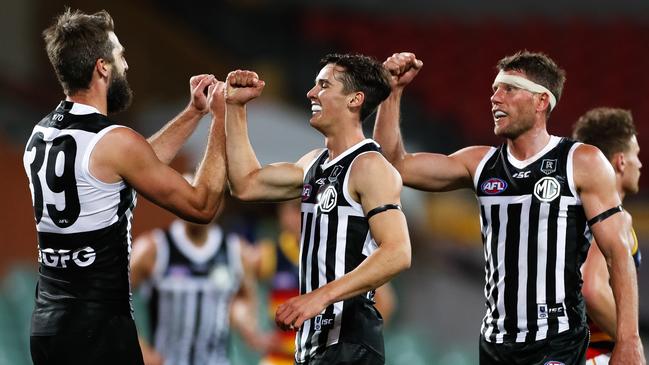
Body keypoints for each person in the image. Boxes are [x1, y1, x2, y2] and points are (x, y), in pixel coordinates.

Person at [373, 51, 645, 364]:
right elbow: (394, 165)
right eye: (494, 90)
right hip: (495, 344)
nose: (495, 98)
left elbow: (616, 253)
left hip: (556, 340)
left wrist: (629, 340)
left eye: (509, 89)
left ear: (541, 101)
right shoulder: (480, 163)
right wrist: (391, 93)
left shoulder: (581, 162)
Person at [24, 9, 227, 365]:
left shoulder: (41, 134)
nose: (126, 65)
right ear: (102, 67)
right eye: (120, 55)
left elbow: (134, 165)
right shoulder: (114, 142)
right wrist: (222, 118)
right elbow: (203, 206)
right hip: (99, 331)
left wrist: (194, 113)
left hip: (47, 328)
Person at [223, 53, 412, 364]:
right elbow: (246, 184)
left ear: (355, 99)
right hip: (312, 346)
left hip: (350, 344)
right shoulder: (313, 163)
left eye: (323, 85)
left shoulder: (370, 167)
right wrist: (236, 107)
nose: (311, 93)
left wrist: (318, 298)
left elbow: (398, 252)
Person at [130, 189, 273, 365]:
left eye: (207, 198)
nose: (198, 205)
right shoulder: (152, 249)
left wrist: (245, 322)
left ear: (220, 204)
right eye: (190, 197)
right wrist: (141, 350)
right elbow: (114, 300)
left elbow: (244, 301)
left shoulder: (237, 251)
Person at [255, 200, 397, 365]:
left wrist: (354, 344)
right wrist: (255, 334)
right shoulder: (271, 253)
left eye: (303, 209)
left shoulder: (342, 254)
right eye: (293, 209)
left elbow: (386, 303)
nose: (298, 217)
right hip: (280, 360)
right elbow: (236, 283)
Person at [572, 108, 643, 364]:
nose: (641, 164)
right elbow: (592, 287)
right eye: (637, 155)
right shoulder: (613, 219)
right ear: (621, 161)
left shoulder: (571, 216)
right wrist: (631, 340)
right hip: (595, 356)